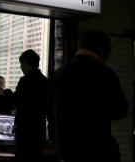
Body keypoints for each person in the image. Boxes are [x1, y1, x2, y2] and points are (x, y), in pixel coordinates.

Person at [49, 31, 128, 162]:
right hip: (97, 152)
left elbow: (50, 112)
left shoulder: (60, 74)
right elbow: (120, 111)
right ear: (102, 50)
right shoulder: (106, 74)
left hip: (67, 152)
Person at [14, 49, 49, 162]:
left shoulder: (24, 81)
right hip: (39, 130)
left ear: (25, 63)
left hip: (24, 130)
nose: (21, 67)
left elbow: (16, 101)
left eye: (21, 64)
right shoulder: (46, 81)